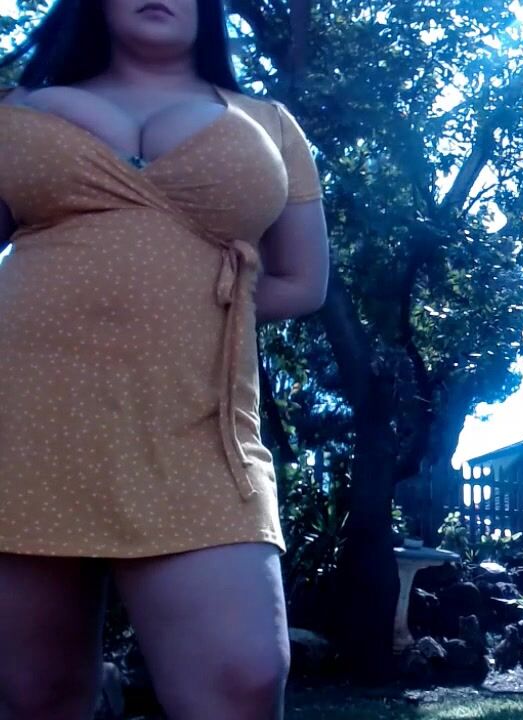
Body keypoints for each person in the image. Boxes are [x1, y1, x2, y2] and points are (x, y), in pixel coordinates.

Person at [0, 0, 329, 717]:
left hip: (199, 426)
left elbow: (304, 282)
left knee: (244, 679)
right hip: (22, 424)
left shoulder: (270, 122)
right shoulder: (14, 110)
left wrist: (182, 302)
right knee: (35, 695)